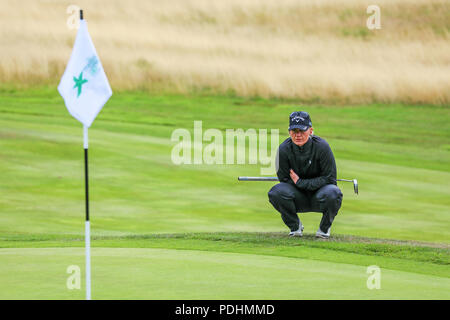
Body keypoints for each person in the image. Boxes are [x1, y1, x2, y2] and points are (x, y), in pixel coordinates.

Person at [268, 111, 343, 239]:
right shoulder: (283, 149)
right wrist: (300, 185)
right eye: (294, 131)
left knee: (334, 192)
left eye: (302, 131)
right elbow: (284, 180)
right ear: (289, 131)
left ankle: (324, 229)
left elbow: (330, 179)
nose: (298, 135)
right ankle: (295, 226)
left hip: (320, 195)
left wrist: (301, 182)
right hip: (297, 197)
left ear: (311, 130)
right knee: (276, 192)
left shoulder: (322, 147)